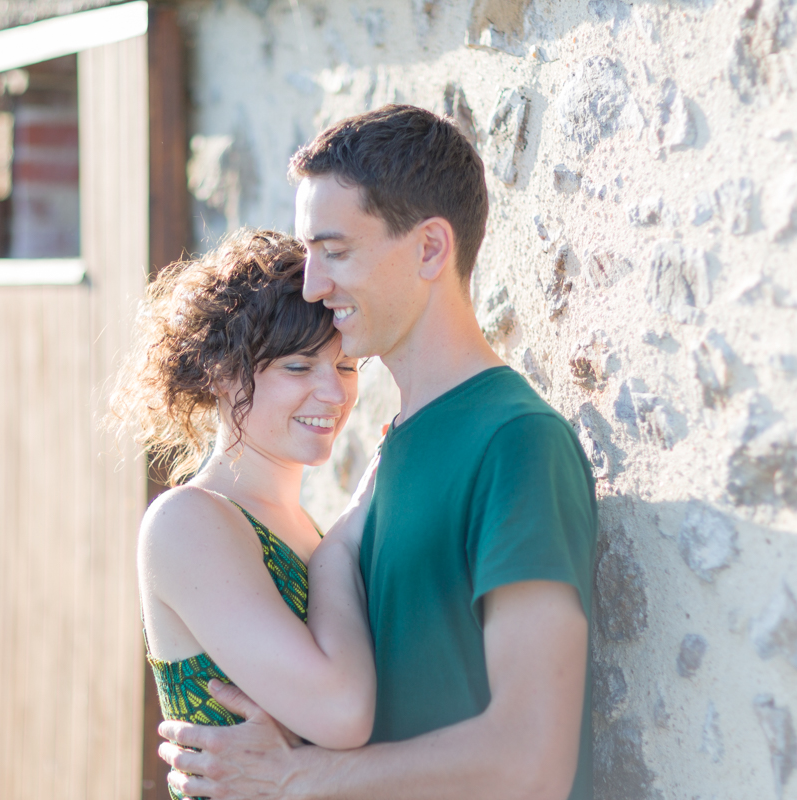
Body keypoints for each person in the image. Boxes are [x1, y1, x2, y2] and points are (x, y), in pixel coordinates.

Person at [157, 105, 599, 800]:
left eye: (334, 251)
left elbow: (531, 760)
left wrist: (301, 773)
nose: (312, 284)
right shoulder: (392, 457)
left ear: (429, 250)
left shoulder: (514, 441)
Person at [113, 229, 382, 800]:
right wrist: (343, 546)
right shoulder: (188, 521)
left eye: (348, 366)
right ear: (221, 372)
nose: (334, 394)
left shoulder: (302, 527)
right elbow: (342, 713)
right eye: (299, 367)